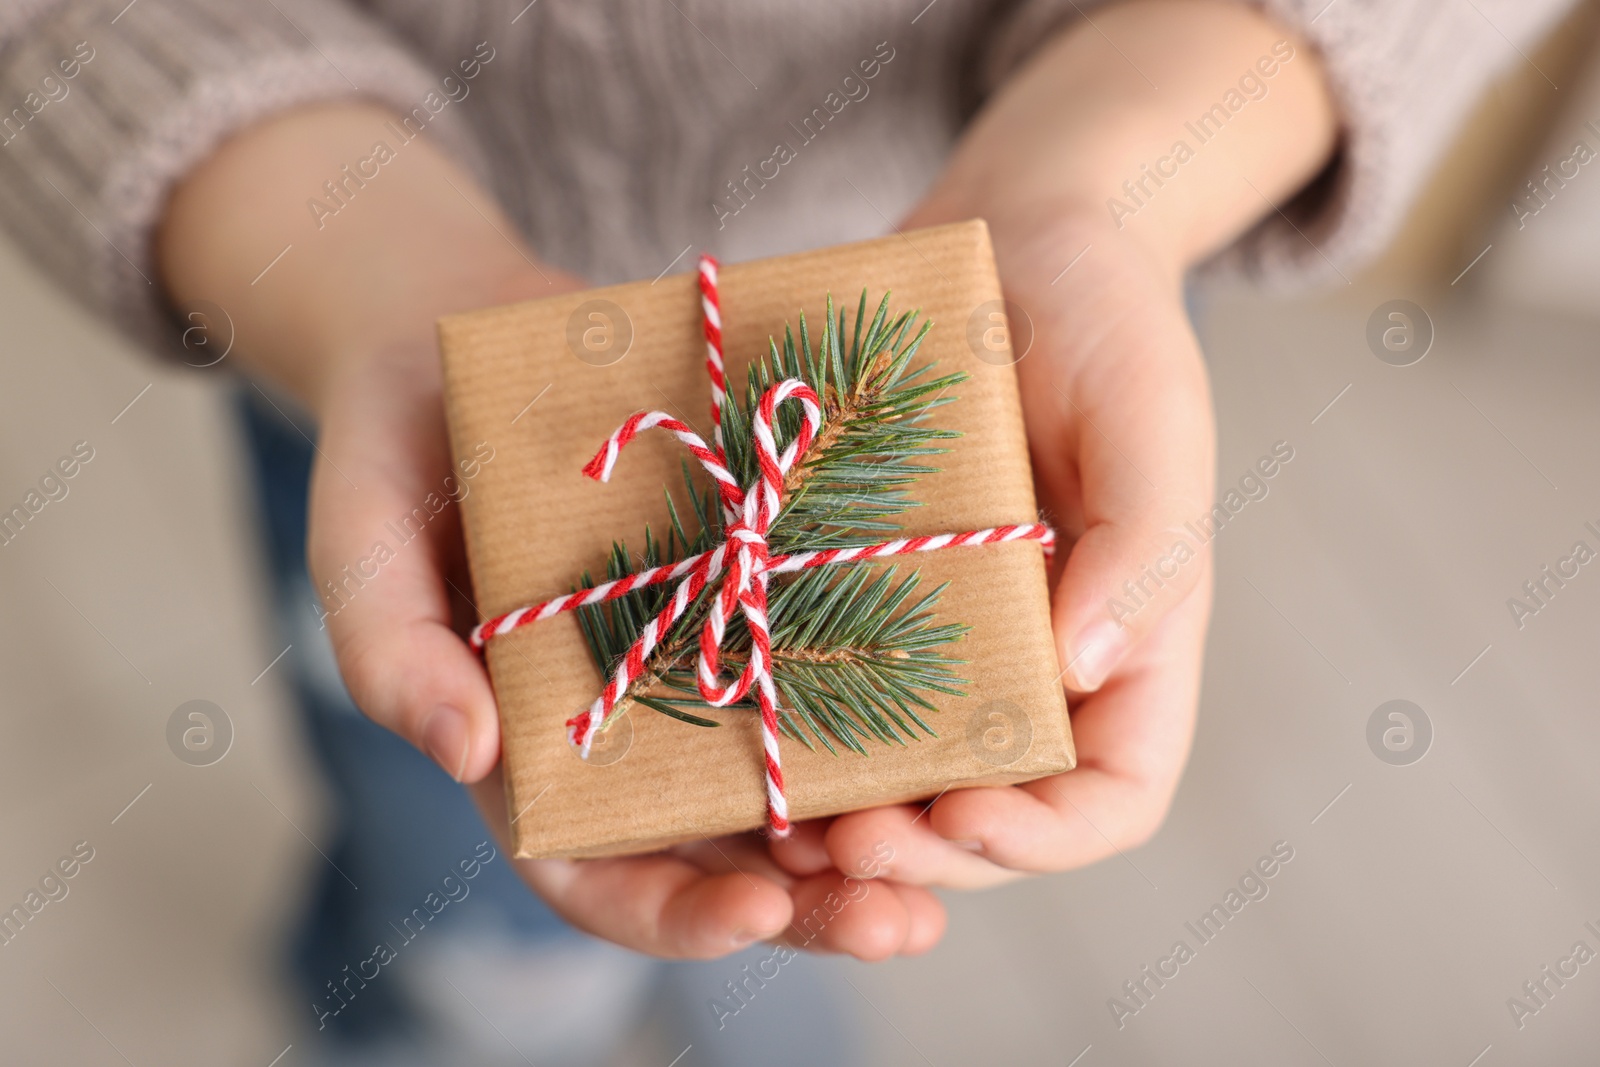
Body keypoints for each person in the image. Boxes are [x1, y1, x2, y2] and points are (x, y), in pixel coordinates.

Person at [0, 0, 1572, 1059]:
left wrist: (1105, 184)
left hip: (995, 376)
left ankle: (744, 1006)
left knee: (805, 911)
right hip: (385, 386)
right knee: (443, 853)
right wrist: (361, 280)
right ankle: (446, 1005)